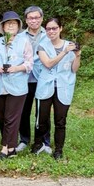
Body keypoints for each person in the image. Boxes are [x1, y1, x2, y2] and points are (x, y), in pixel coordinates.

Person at [31, 18, 81, 160]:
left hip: (64, 87)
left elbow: (74, 69)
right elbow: (48, 64)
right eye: (48, 29)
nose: (51, 31)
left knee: (60, 121)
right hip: (45, 86)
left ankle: (58, 150)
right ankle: (38, 144)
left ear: (60, 28)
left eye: (54, 28)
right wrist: (64, 52)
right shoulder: (42, 46)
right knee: (41, 118)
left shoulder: (70, 46)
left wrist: (77, 56)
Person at [0, 11, 33, 159]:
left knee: (11, 118)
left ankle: (7, 148)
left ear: (19, 25)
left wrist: (16, 68)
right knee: (2, 117)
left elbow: (29, 63)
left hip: (17, 85)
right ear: (3, 26)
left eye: (14, 22)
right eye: (8, 23)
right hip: (0, 84)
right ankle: (9, 146)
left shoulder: (24, 41)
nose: (11, 25)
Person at [16, 6, 51, 154]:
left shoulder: (49, 34)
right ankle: (24, 140)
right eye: (30, 18)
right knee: (23, 111)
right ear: (26, 20)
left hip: (44, 77)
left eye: (37, 17)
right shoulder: (19, 36)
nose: (34, 20)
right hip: (24, 78)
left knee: (43, 112)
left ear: (42, 18)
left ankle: (44, 141)